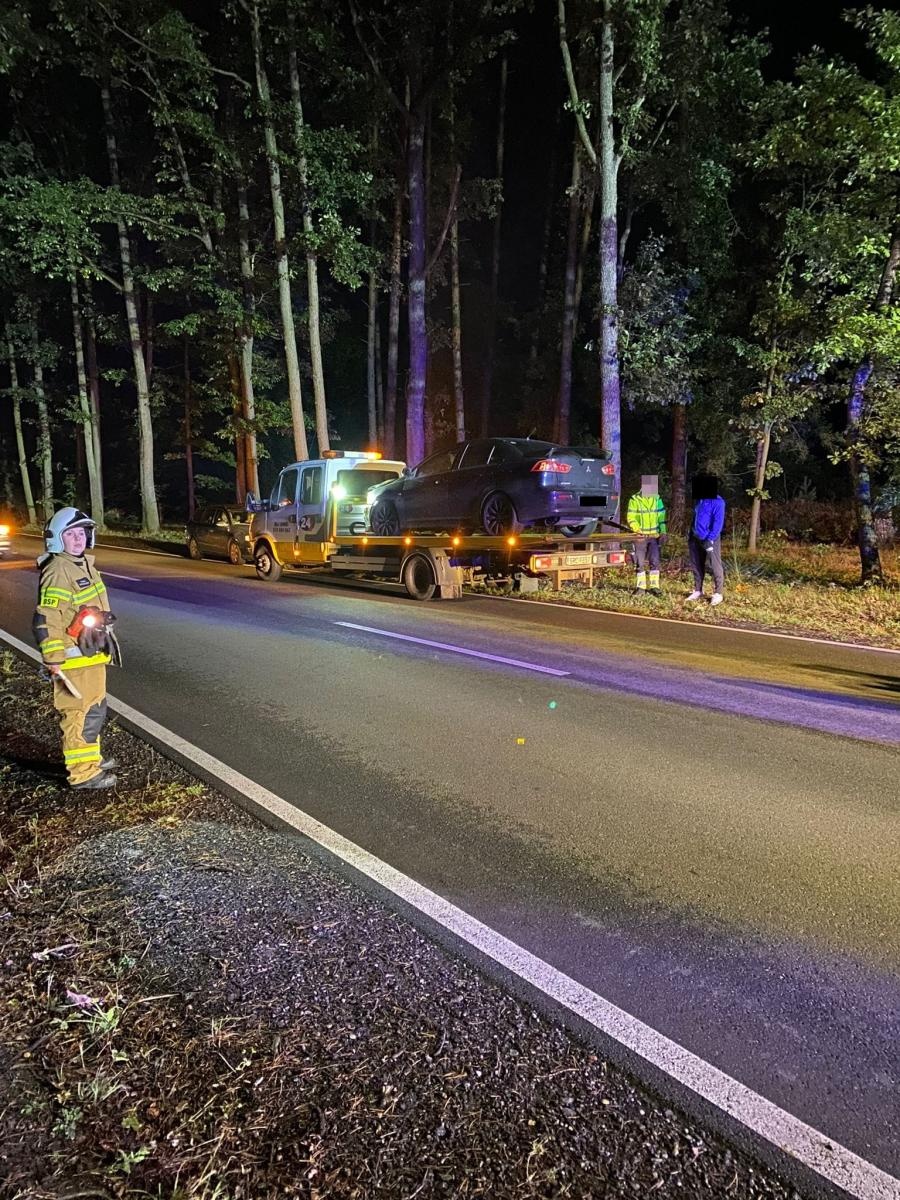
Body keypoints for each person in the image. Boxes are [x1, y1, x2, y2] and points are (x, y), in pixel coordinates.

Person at [32, 507, 120, 790]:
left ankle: (90, 759)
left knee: (94, 709)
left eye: (81, 533)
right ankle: (82, 773)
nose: (78, 538)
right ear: (58, 539)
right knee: (78, 714)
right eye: (70, 533)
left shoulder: (82, 564)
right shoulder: (59, 569)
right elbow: (47, 616)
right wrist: (54, 659)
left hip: (89, 655)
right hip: (72, 659)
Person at [687, 474, 726, 605]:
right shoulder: (700, 500)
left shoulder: (718, 502)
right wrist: (691, 532)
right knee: (696, 564)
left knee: (715, 564)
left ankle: (718, 592)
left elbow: (718, 523)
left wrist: (710, 539)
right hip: (695, 537)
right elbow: (696, 517)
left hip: (710, 539)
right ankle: (698, 590)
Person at [626, 475, 667, 596]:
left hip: (654, 536)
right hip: (640, 537)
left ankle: (654, 587)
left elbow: (661, 517)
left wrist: (663, 531)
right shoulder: (635, 499)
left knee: (655, 561)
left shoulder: (657, 499)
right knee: (639, 562)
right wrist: (637, 530)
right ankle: (640, 588)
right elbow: (631, 517)